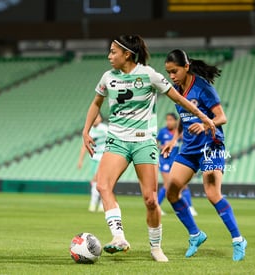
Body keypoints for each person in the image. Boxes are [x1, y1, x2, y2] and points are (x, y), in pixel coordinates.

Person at [82, 35, 215, 262]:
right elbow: (97, 102)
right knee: (103, 185)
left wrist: (204, 118)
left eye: (113, 52)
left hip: (144, 141)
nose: (109, 56)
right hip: (117, 139)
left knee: (151, 200)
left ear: (127, 54)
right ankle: (119, 237)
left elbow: (179, 99)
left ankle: (155, 247)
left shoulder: (149, 75)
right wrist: (85, 131)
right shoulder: (108, 77)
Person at [163, 49, 247, 261]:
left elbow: (222, 117)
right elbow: (183, 118)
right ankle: (195, 235)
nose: (171, 76)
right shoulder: (176, 90)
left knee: (212, 193)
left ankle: (238, 239)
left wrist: (203, 123)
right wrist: (173, 141)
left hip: (211, 145)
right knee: (171, 192)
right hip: (189, 148)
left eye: (174, 71)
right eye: (168, 72)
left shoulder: (203, 88)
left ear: (186, 67)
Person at [157, 112, 197, 216]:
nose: (168, 122)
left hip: (176, 162)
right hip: (165, 161)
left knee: (183, 185)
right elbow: (155, 143)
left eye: (171, 120)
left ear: (176, 121)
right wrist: (162, 147)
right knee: (167, 185)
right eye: (167, 120)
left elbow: (187, 141)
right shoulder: (162, 132)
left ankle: (190, 207)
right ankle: (156, 207)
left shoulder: (178, 132)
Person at [78, 113, 108, 212]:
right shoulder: (89, 130)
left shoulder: (104, 128)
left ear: (100, 118)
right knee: (95, 182)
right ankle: (95, 203)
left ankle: (98, 204)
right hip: (93, 157)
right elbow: (85, 145)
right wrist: (80, 160)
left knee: (98, 180)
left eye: (97, 117)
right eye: (94, 117)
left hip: (103, 157)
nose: (95, 119)